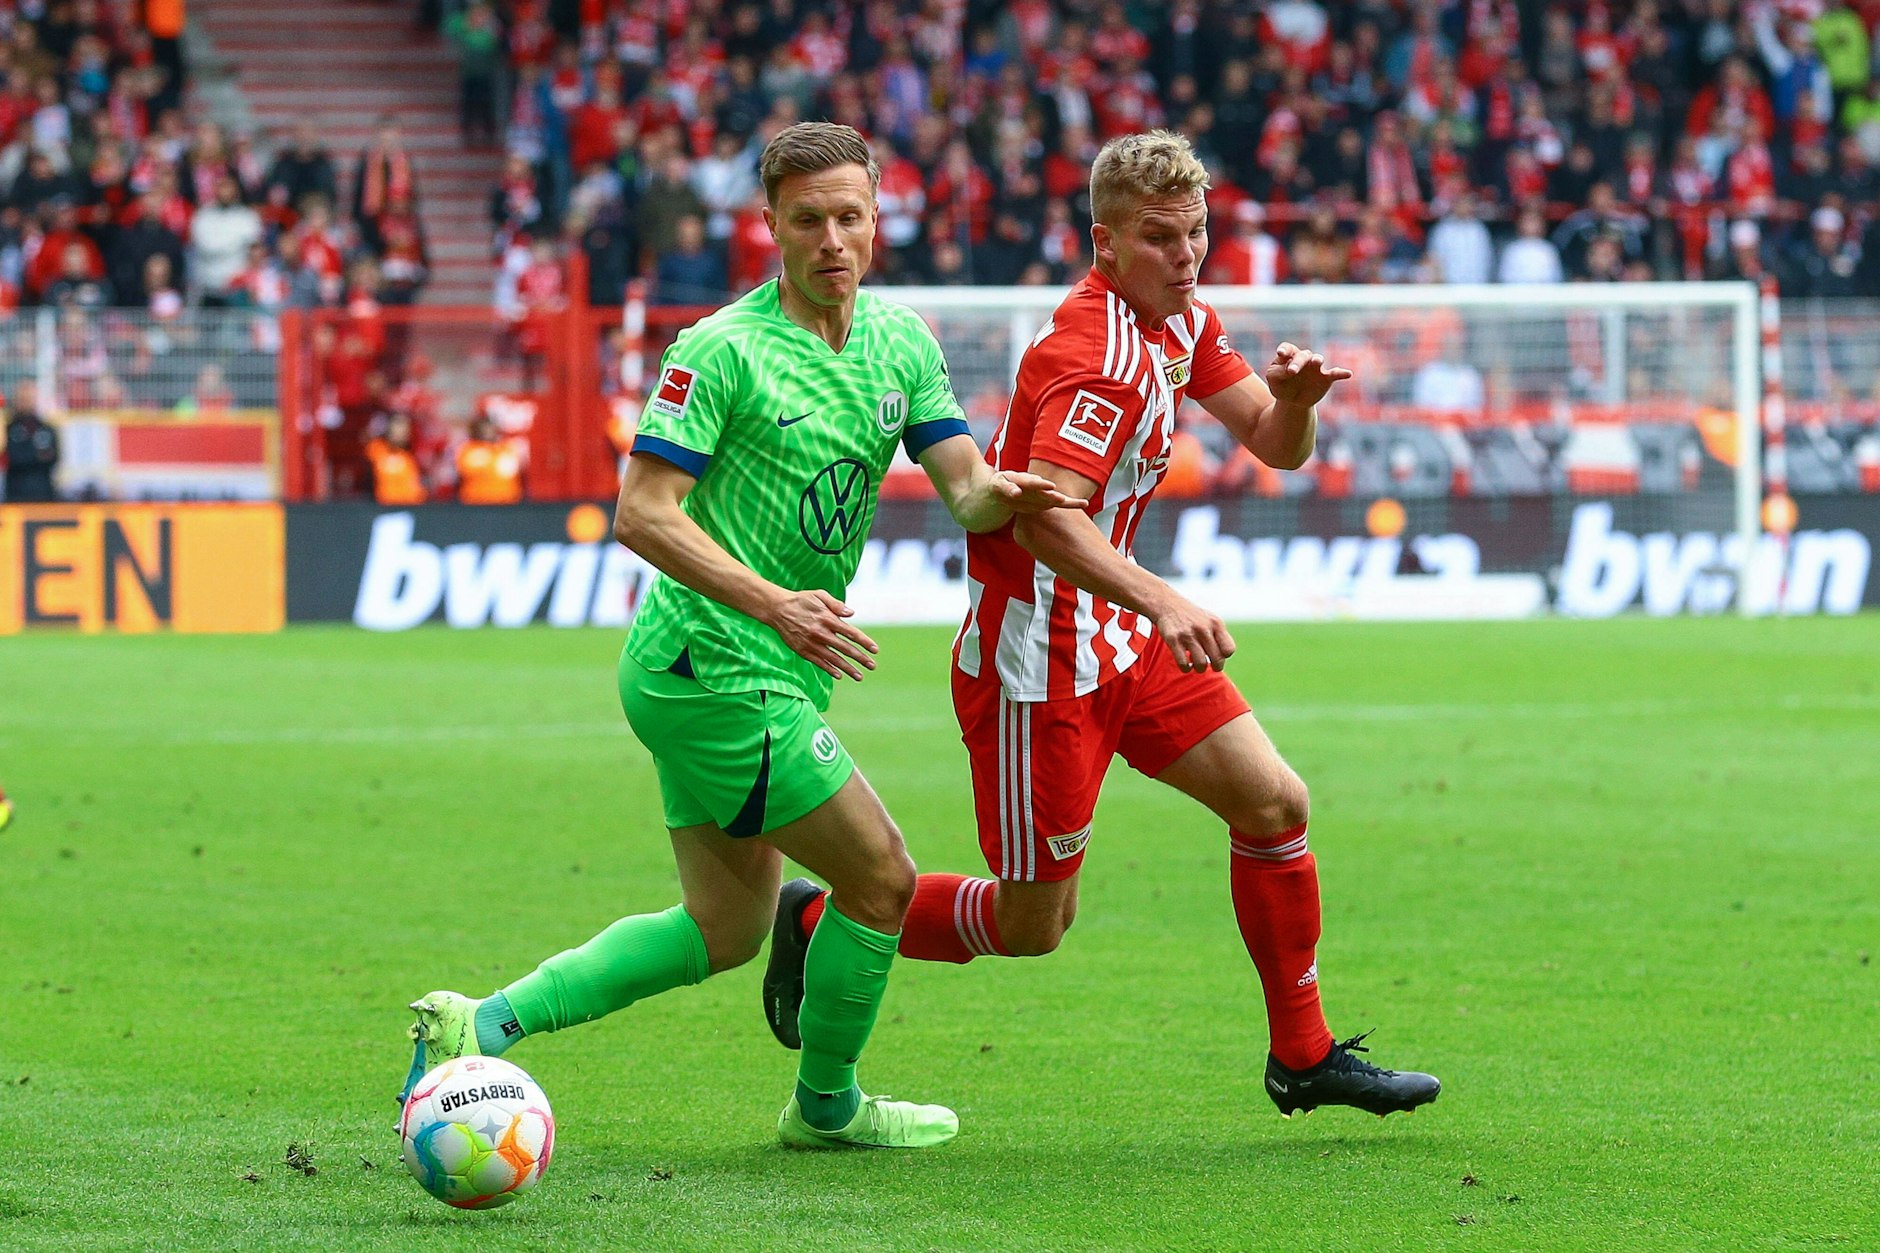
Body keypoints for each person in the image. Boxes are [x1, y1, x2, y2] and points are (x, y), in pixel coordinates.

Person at [402, 122, 1083, 1149]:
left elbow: (965, 489)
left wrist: (1011, 490)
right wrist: (774, 601)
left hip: (760, 672)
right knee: (881, 876)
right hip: (709, 667)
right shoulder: (718, 350)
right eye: (806, 220)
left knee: (725, 929)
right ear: (767, 224)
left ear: (875, 219)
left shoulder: (900, 344)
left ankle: (477, 1023)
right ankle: (825, 1107)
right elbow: (642, 511)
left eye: (849, 217)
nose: (830, 240)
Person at [765, 130, 1442, 1121]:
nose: (1185, 255)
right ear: (1104, 244)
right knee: (1034, 922)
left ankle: (1301, 1055)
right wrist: (1163, 597)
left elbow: (1270, 441)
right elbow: (1044, 519)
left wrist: (1294, 403)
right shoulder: (1096, 357)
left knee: (1272, 804)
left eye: (1195, 234)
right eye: (1160, 238)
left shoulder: (1178, 322)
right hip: (1040, 663)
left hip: (1121, 638)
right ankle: (823, 913)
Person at [4, 381, 59, 502]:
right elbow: (12, 457)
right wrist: (38, 455)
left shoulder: (46, 428)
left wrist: (26, 453)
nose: (26, 402)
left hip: (43, 492)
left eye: (29, 398)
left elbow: (54, 458)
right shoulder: (8, 428)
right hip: (16, 494)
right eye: (22, 399)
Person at [454, 412, 522, 504]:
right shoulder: (468, 449)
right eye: (484, 428)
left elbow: (509, 471)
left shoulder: (506, 448)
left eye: (490, 428)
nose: (487, 432)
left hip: (505, 499)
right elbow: (467, 470)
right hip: (475, 499)